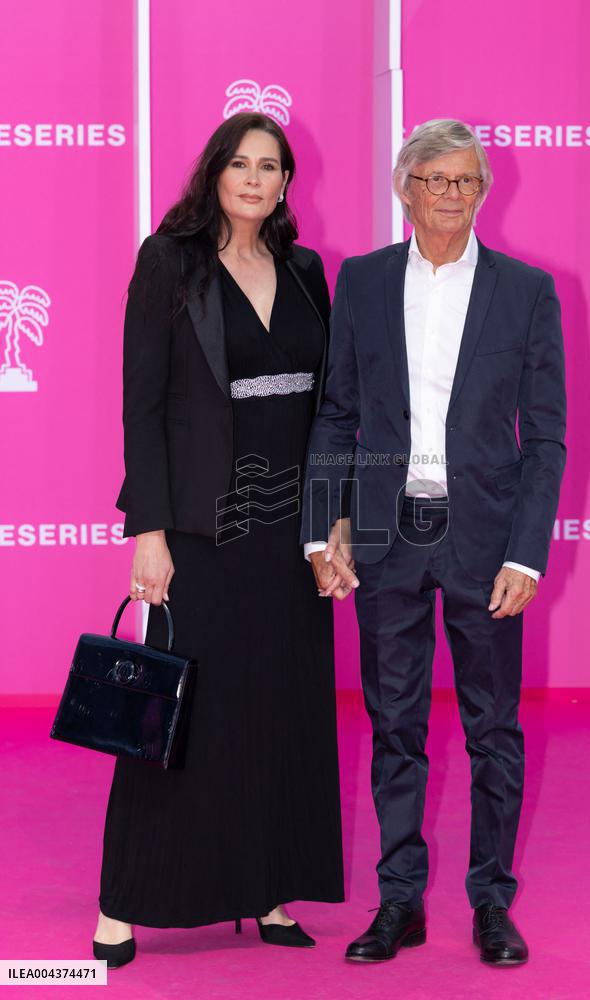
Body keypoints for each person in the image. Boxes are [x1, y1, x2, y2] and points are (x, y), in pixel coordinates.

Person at [300, 118, 566, 966]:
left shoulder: (527, 290)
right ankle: (400, 902)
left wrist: (526, 554)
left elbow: (549, 436)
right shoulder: (366, 282)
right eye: (437, 179)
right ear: (404, 188)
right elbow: (337, 414)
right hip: (386, 537)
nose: (453, 194)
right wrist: (323, 526)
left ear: (483, 191)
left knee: (494, 729)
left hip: (486, 541)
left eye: (467, 180)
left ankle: (491, 902)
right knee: (394, 727)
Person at [92, 112, 344, 969]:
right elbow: (145, 404)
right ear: (214, 172)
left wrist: (334, 523)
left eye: (269, 166)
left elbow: (329, 411)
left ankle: (268, 888)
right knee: (178, 716)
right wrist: (149, 532)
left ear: (285, 182)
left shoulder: (306, 270)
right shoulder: (169, 262)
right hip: (203, 530)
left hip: (289, 533)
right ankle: (123, 906)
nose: (253, 178)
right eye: (239, 163)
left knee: (280, 710)